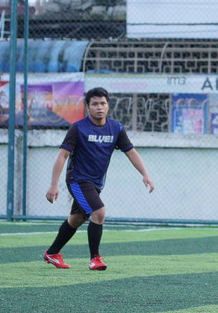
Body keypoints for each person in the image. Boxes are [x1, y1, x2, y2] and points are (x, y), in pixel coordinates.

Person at [43, 87, 154, 270]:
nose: (99, 107)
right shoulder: (78, 129)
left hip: (96, 183)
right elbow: (62, 156)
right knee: (99, 212)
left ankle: (52, 253)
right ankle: (95, 259)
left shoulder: (116, 129)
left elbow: (131, 152)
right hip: (77, 180)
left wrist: (145, 174)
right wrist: (53, 184)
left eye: (103, 103)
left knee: (77, 219)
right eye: (94, 104)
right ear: (88, 107)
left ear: (108, 106)